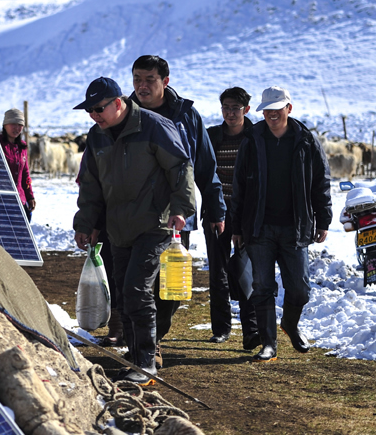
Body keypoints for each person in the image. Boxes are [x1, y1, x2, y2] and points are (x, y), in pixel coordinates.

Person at [73, 76, 196, 383]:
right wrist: (86, 223)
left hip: (154, 223)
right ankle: (135, 352)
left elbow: (181, 169)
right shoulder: (97, 136)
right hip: (118, 227)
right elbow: (90, 185)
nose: (94, 115)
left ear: (118, 103)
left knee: (137, 290)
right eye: (89, 110)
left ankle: (146, 360)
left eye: (98, 108)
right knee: (123, 294)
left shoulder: (154, 127)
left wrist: (181, 208)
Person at [128, 55, 226, 351]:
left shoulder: (186, 116)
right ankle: (143, 346)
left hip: (175, 214)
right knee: (133, 283)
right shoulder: (123, 113)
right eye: (137, 79)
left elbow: (205, 165)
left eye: (149, 80)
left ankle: (152, 338)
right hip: (130, 213)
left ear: (165, 81)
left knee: (171, 287)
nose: (142, 86)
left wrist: (216, 208)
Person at [230, 86, 332, 362]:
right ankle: (268, 344)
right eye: (268, 111)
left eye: (278, 109)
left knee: (299, 288)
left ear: (289, 108)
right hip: (258, 226)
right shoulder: (252, 139)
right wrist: (236, 226)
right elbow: (238, 185)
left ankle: (290, 323)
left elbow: (321, 182)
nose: (272, 115)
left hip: (295, 226)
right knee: (262, 286)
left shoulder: (306, 140)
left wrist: (323, 219)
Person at [206, 88, 259, 349]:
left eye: (235, 108)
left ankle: (251, 329)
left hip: (246, 215)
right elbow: (203, 172)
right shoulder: (212, 136)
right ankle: (221, 328)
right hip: (216, 212)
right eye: (226, 107)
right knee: (218, 270)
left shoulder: (257, 136)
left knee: (245, 269)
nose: (230, 113)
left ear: (246, 110)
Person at [0, 108, 35, 221]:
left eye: (20, 124)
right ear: (5, 125)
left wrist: (30, 197)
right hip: (2, 200)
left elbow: (25, 174)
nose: (17, 128)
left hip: (20, 199)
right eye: (13, 124)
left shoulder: (22, 147)